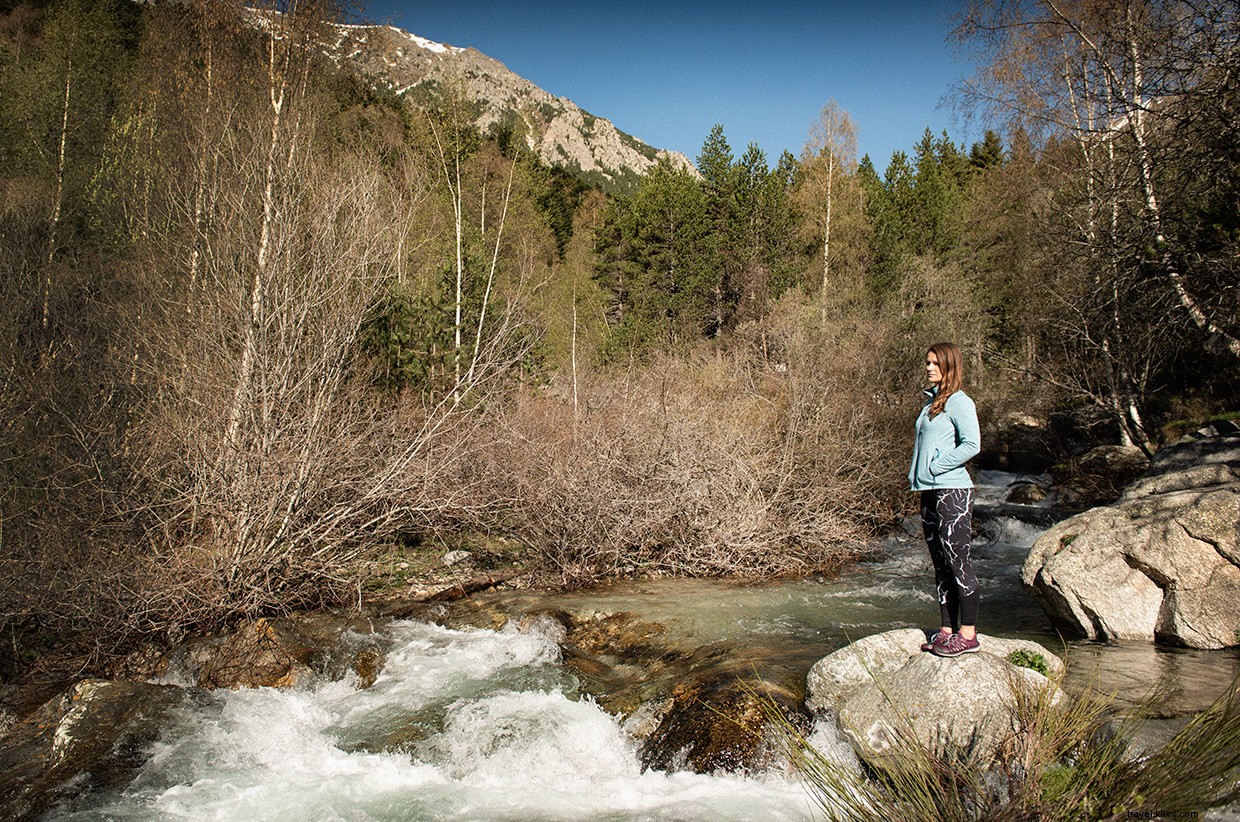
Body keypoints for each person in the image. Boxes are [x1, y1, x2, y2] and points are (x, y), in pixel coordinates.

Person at [908, 342, 982, 658]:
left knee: (957, 559)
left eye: (935, 363)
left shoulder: (959, 402)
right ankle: (947, 631)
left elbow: (972, 444)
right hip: (928, 490)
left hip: (953, 490)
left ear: (949, 366)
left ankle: (968, 634)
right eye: (927, 362)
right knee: (940, 563)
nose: (928, 367)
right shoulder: (931, 403)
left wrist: (937, 465)